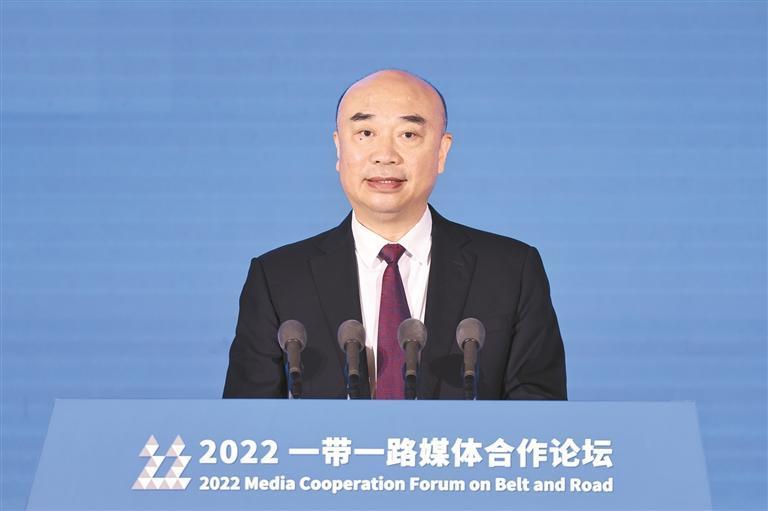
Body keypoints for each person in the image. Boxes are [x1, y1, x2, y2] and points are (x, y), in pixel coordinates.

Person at [223, 69, 566, 400]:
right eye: (365, 133)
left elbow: (540, 420)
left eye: (408, 135)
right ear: (339, 149)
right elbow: (245, 425)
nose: (385, 156)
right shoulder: (277, 279)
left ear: (442, 152)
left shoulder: (511, 272)